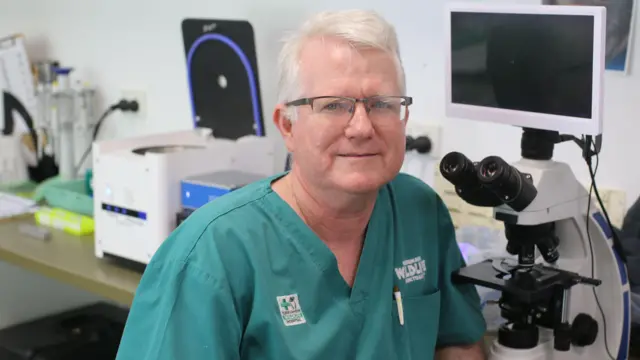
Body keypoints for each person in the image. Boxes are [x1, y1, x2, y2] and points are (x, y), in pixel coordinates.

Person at [116, 9, 486, 360]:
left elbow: (457, 340)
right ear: (288, 126)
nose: (361, 127)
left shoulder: (418, 210)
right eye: (334, 105)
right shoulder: (210, 256)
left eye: (381, 104)